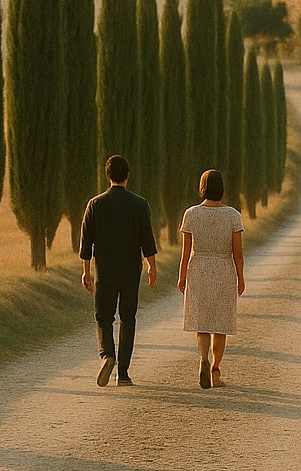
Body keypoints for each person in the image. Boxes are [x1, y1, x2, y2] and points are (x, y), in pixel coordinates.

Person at [79, 154, 158, 387]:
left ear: (107, 175)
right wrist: (152, 266)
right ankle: (122, 373)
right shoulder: (139, 204)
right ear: (127, 176)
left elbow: (86, 244)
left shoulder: (95, 204)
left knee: (103, 317)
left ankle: (107, 355)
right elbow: (147, 239)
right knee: (128, 318)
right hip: (130, 271)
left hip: (104, 270)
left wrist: (86, 271)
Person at [177, 168, 245, 389]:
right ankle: (215, 369)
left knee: (202, 321)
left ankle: (203, 358)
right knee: (221, 324)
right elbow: (238, 252)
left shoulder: (191, 214)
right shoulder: (233, 216)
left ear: (202, 187)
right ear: (222, 188)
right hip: (224, 269)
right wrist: (241, 277)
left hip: (199, 268)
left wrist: (182, 276)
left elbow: (186, 252)